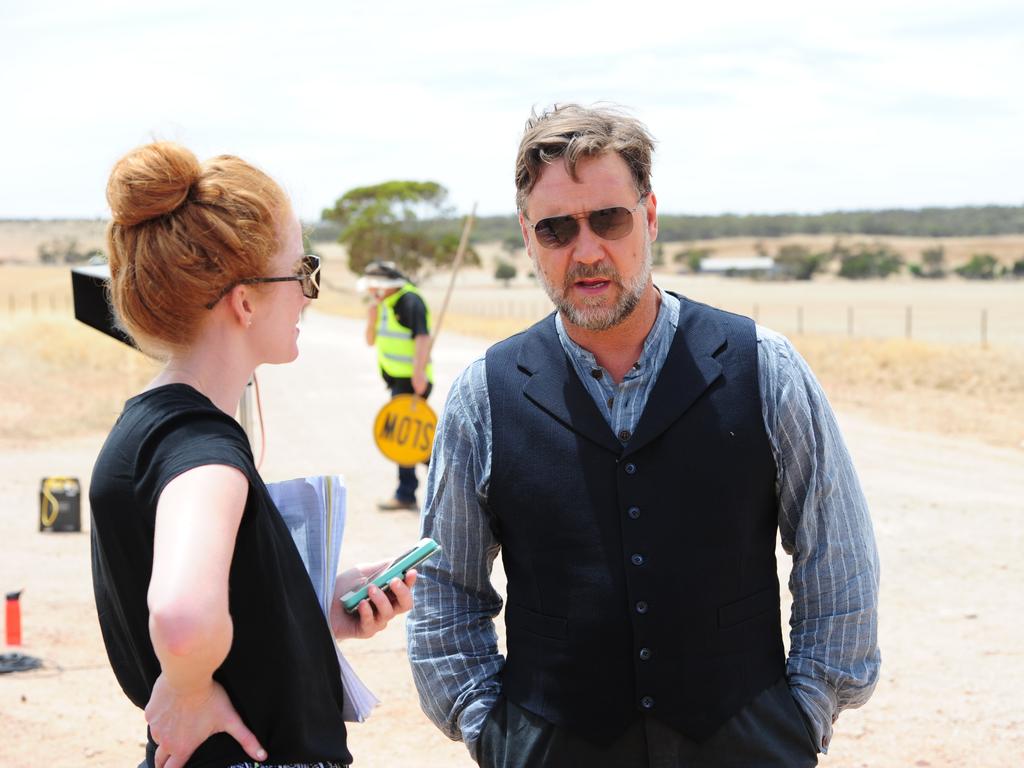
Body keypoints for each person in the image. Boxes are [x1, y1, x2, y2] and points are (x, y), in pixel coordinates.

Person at [407, 104, 880, 768]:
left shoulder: (763, 368)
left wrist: (802, 714)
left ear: (650, 215)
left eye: (609, 218)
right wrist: (490, 729)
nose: (587, 250)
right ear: (527, 236)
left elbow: (839, 560)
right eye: (556, 229)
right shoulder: (485, 396)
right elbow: (444, 585)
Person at [90, 141, 417, 768]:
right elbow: (183, 618)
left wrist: (307, 612)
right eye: (302, 274)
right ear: (244, 301)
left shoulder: (148, 427)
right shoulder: (206, 452)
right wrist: (189, 690)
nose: (308, 295)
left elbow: (214, 611)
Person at [360, 260, 433, 511]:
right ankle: (424, 477)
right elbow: (370, 341)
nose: (372, 291)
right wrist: (370, 320)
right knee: (408, 437)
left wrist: (419, 374)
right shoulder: (383, 305)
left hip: (412, 380)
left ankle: (406, 492)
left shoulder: (410, 301)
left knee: (405, 437)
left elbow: (423, 337)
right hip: (396, 380)